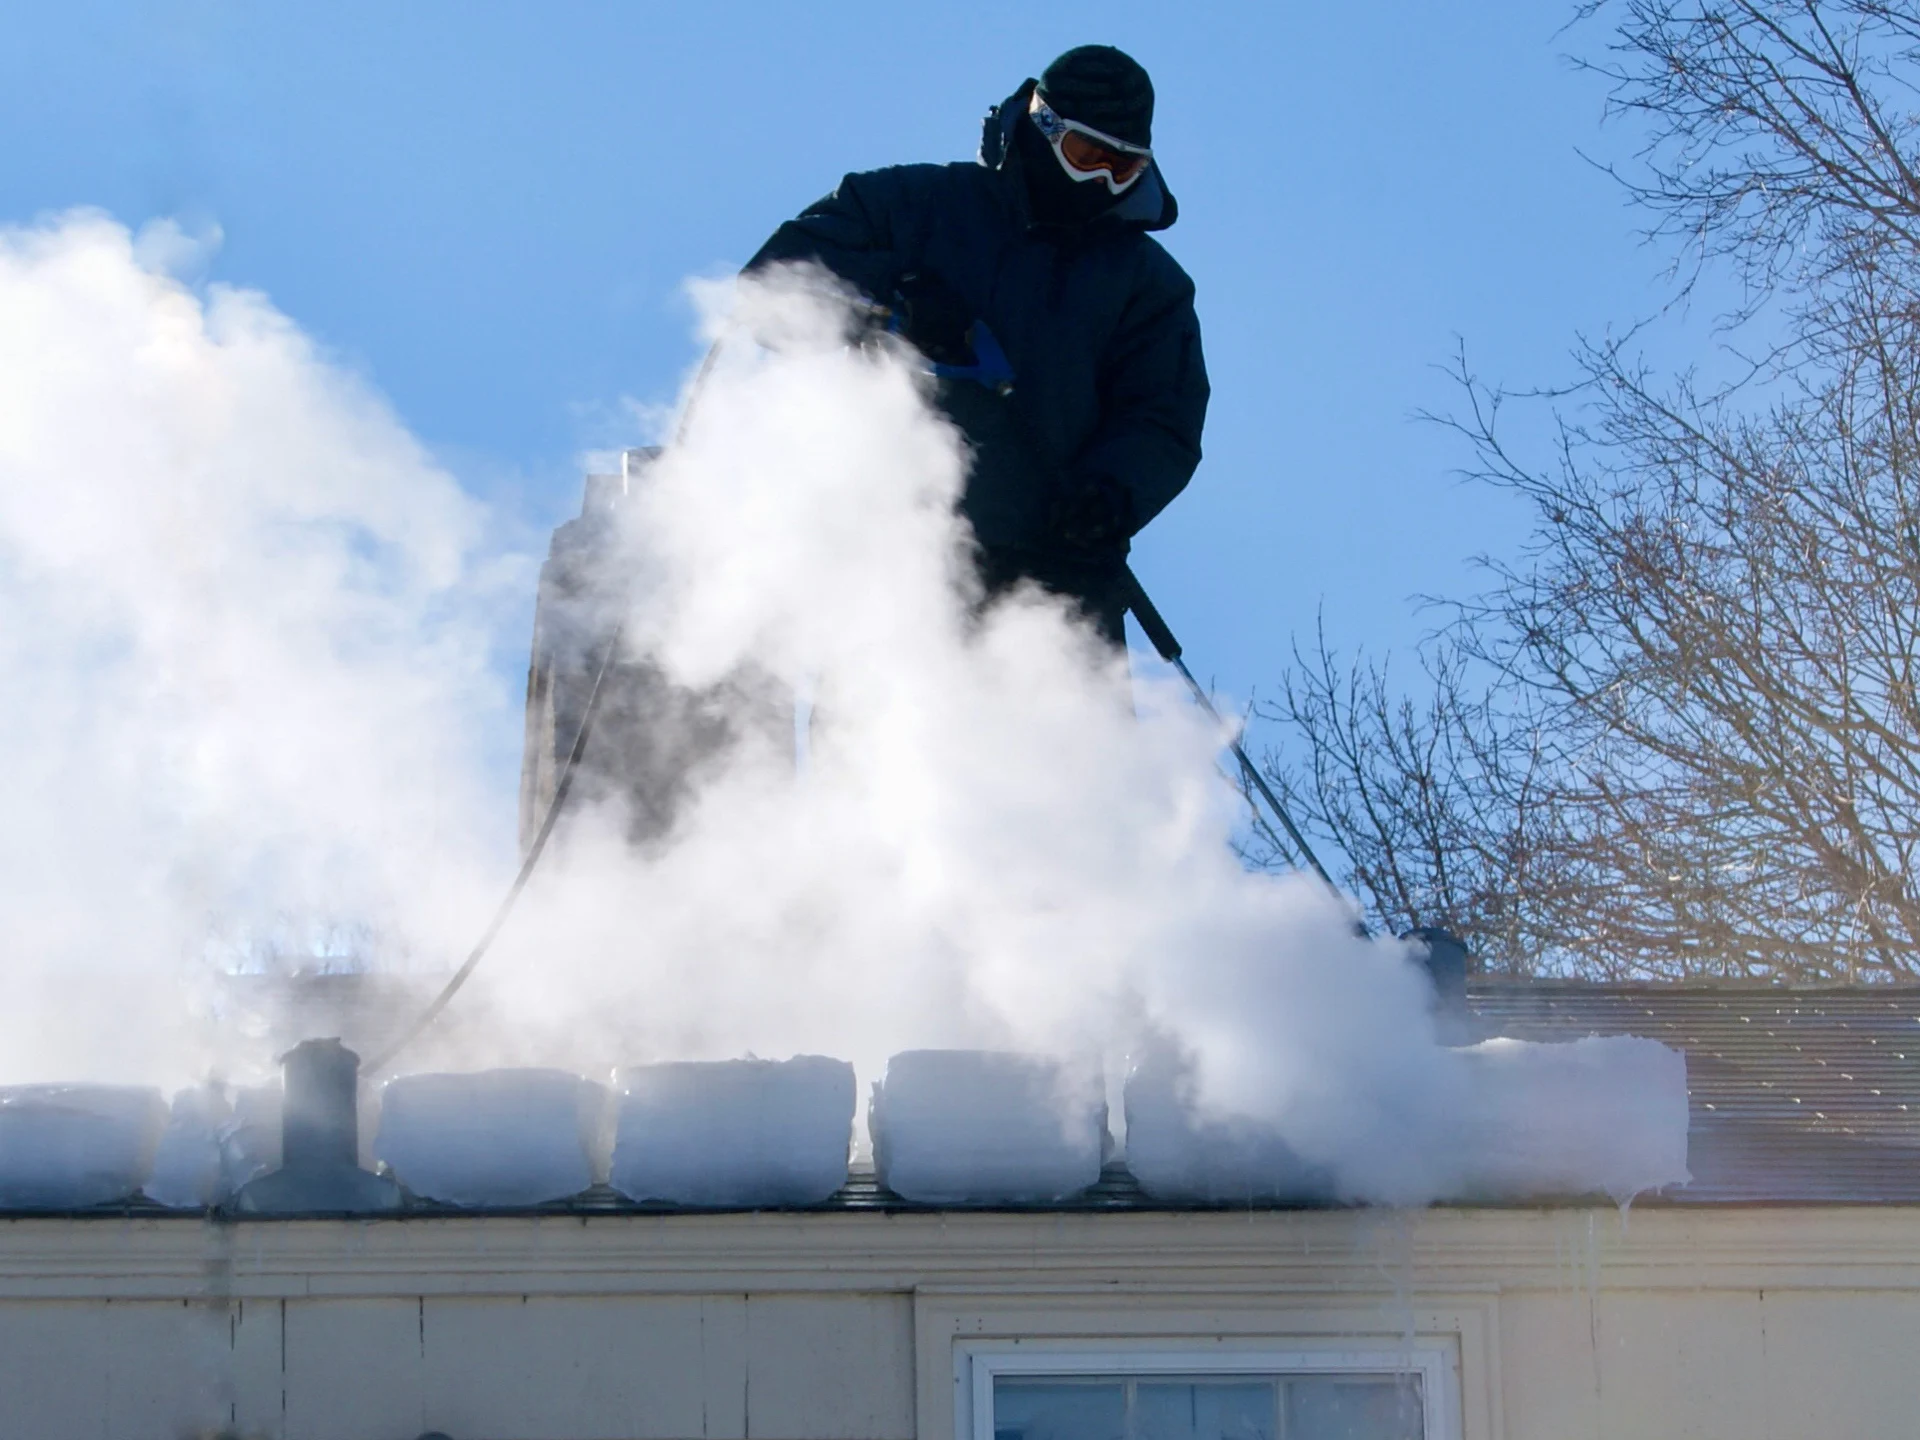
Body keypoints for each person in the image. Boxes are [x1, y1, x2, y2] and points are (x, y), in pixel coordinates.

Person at [748, 45, 1209, 646]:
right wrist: (889, 311)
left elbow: (1162, 418)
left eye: (1122, 170)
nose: (1099, 183)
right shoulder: (913, 208)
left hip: (1059, 587)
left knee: (1057, 738)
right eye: (1086, 157)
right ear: (1044, 128)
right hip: (901, 563)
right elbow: (770, 294)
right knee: (885, 735)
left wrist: (1111, 495)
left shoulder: (1147, 284)